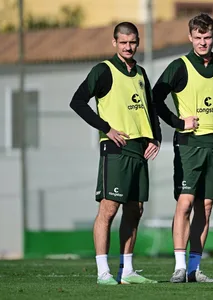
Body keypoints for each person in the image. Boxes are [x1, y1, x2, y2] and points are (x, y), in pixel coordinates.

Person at [70, 22, 161, 285]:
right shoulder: (104, 70)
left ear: (138, 41)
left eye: (132, 42)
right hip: (116, 149)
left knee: (136, 209)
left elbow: (149, 109)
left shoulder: (141, 73)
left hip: (139, 150)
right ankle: (103, 273)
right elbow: (77, 101)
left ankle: (128, 270)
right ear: (114, 43)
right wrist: (106, 128)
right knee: (108, 209)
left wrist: (155, 137)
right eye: (123, 42)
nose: (128, 47)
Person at [152, 13, 213, 283]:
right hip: (190, 143)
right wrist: (178, 122)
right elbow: (155, 97)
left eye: (207, 37)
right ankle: (179, 267)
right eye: (198, 37)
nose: (203, 42)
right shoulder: (179, 66)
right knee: (186, 202)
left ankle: (194, 268)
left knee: (207, 206)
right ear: (190, 37)